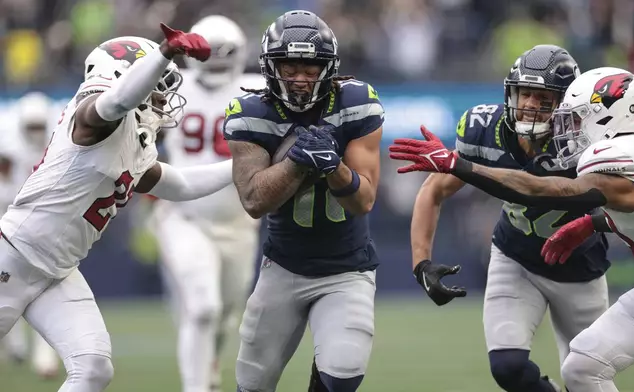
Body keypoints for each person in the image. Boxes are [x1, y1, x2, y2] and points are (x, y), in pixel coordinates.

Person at [0, 23, 237, 391]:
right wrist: (162, 55)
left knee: (93, 368)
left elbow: (184, 184)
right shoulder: (96, 117)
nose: (163, 100)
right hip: (12, 258)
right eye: (159, 88)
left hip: (58, 272)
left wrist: (250, 164)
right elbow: (116, 102)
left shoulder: (136, 142)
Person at [393, 67, 634, 392]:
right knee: (581, 367)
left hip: (581, 272)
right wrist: (591, 222)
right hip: (517, 255)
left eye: (580, 118)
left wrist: (459, 164)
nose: (570, 129)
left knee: (583, 367)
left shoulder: (617, 160)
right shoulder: (491, 130)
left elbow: (550, 190)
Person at [224, 10, 384, 392]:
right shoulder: (250, 114)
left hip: (347, 268)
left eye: (310, 69)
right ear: (269, 67)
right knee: (252, 384)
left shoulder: (357, 102)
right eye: (289, 67)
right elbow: (253, 201)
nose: (299, 79)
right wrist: (297, 163)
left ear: (328, 68)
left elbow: (363, 201)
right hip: (283, 267)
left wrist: (334, 168)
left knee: (342, 375)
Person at [153, 14, 264, 392]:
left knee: (226, 316)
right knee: (203, 308)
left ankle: (210, 364)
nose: (215, 61)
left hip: (239, 223)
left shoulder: (258, 90)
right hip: (185, 217)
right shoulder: (171, 85)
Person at [1, 92, 60, 379]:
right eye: (31, 126)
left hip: (46, 231)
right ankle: (15, 345)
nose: (36, 133)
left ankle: (43, 357)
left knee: (44, 292)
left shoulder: (59, 145)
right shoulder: (9, 150)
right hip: (10, 228)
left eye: (40, 126)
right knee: (8, 289)